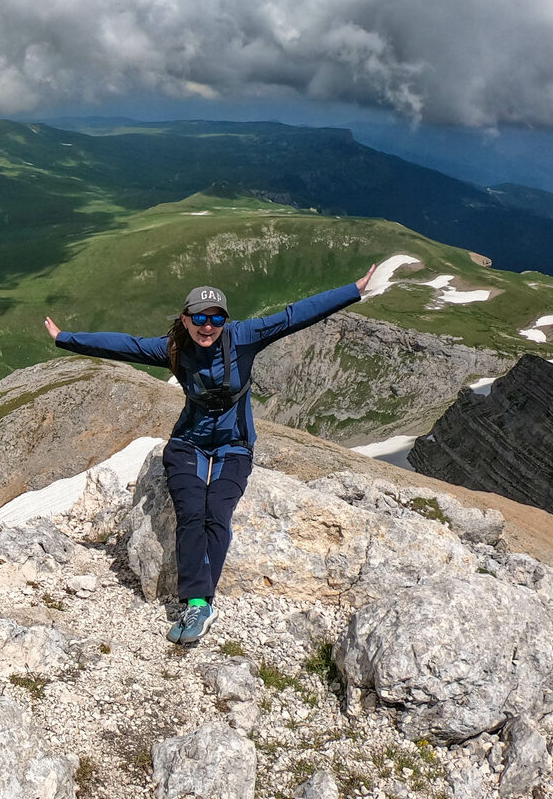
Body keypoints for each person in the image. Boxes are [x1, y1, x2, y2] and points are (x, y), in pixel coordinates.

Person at [44, 267, 378, 644]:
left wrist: (354, 289)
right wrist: (64, 338)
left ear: (225, 319)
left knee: (217, 511)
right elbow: (123, 345)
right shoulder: (173, 348)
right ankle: (197, 602)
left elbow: (294, 315)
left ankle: (201, 604)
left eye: (216, 317)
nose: (208, 326)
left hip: (235, 444)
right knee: (190, 512)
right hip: (188, 442)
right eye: (199, 318)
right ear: (185, 320)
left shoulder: (244, 338)